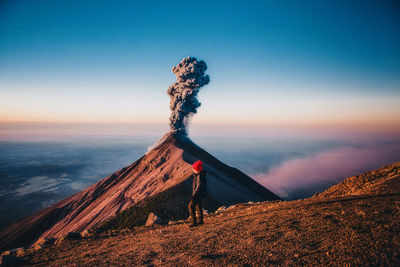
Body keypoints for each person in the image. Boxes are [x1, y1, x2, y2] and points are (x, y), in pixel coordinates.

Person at [188, 160, 207, 227]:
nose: (192, 169)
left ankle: (194, 221)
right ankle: (200, 221)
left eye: (193, 168)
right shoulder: (199, 175)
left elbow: (199, 186)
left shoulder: (199, 176)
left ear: (197, 170)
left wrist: (194, 195)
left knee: (190, 206)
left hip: (198, 194)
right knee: (198, 207)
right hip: (200, 194)